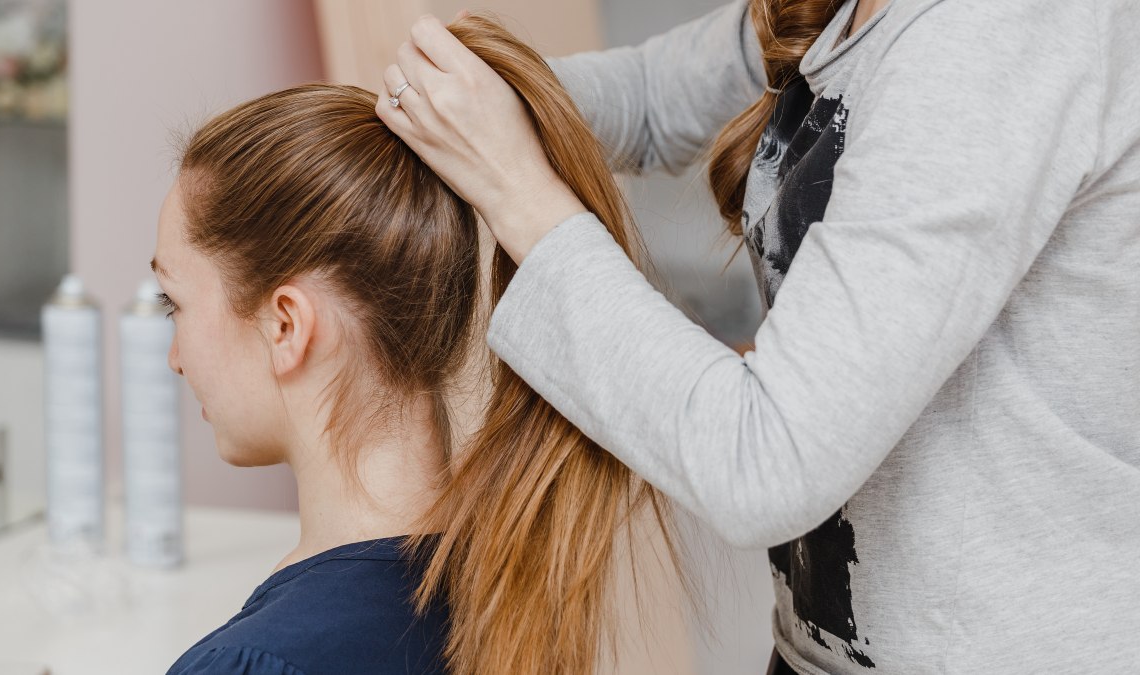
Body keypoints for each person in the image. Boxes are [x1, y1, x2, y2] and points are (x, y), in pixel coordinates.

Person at [379, 0, 1140, 673]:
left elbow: (768, 457)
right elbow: (647, 101)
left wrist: (517, 192)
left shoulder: (998, 33)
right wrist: (469, 104)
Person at [159, 17, 675, 675]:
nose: (174, 355)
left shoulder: (256, 662)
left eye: (172, 301)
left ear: (286, 325)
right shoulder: (495, 603)